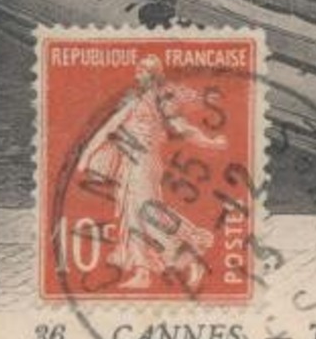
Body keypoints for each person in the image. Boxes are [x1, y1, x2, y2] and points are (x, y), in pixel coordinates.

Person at [79, 56, 228, 290]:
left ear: (153, 75)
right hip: (130, 165)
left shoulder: (162, 100)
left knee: (147, 213)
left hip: (146, 163)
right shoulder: (134, 100)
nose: (137, 73)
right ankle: (143, 272)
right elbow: (109, 127)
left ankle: (189, 257)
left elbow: (183, 128)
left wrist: (210, 142)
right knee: (134, 215)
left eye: (142, 70)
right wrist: (87, 155)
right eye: (137, 69)